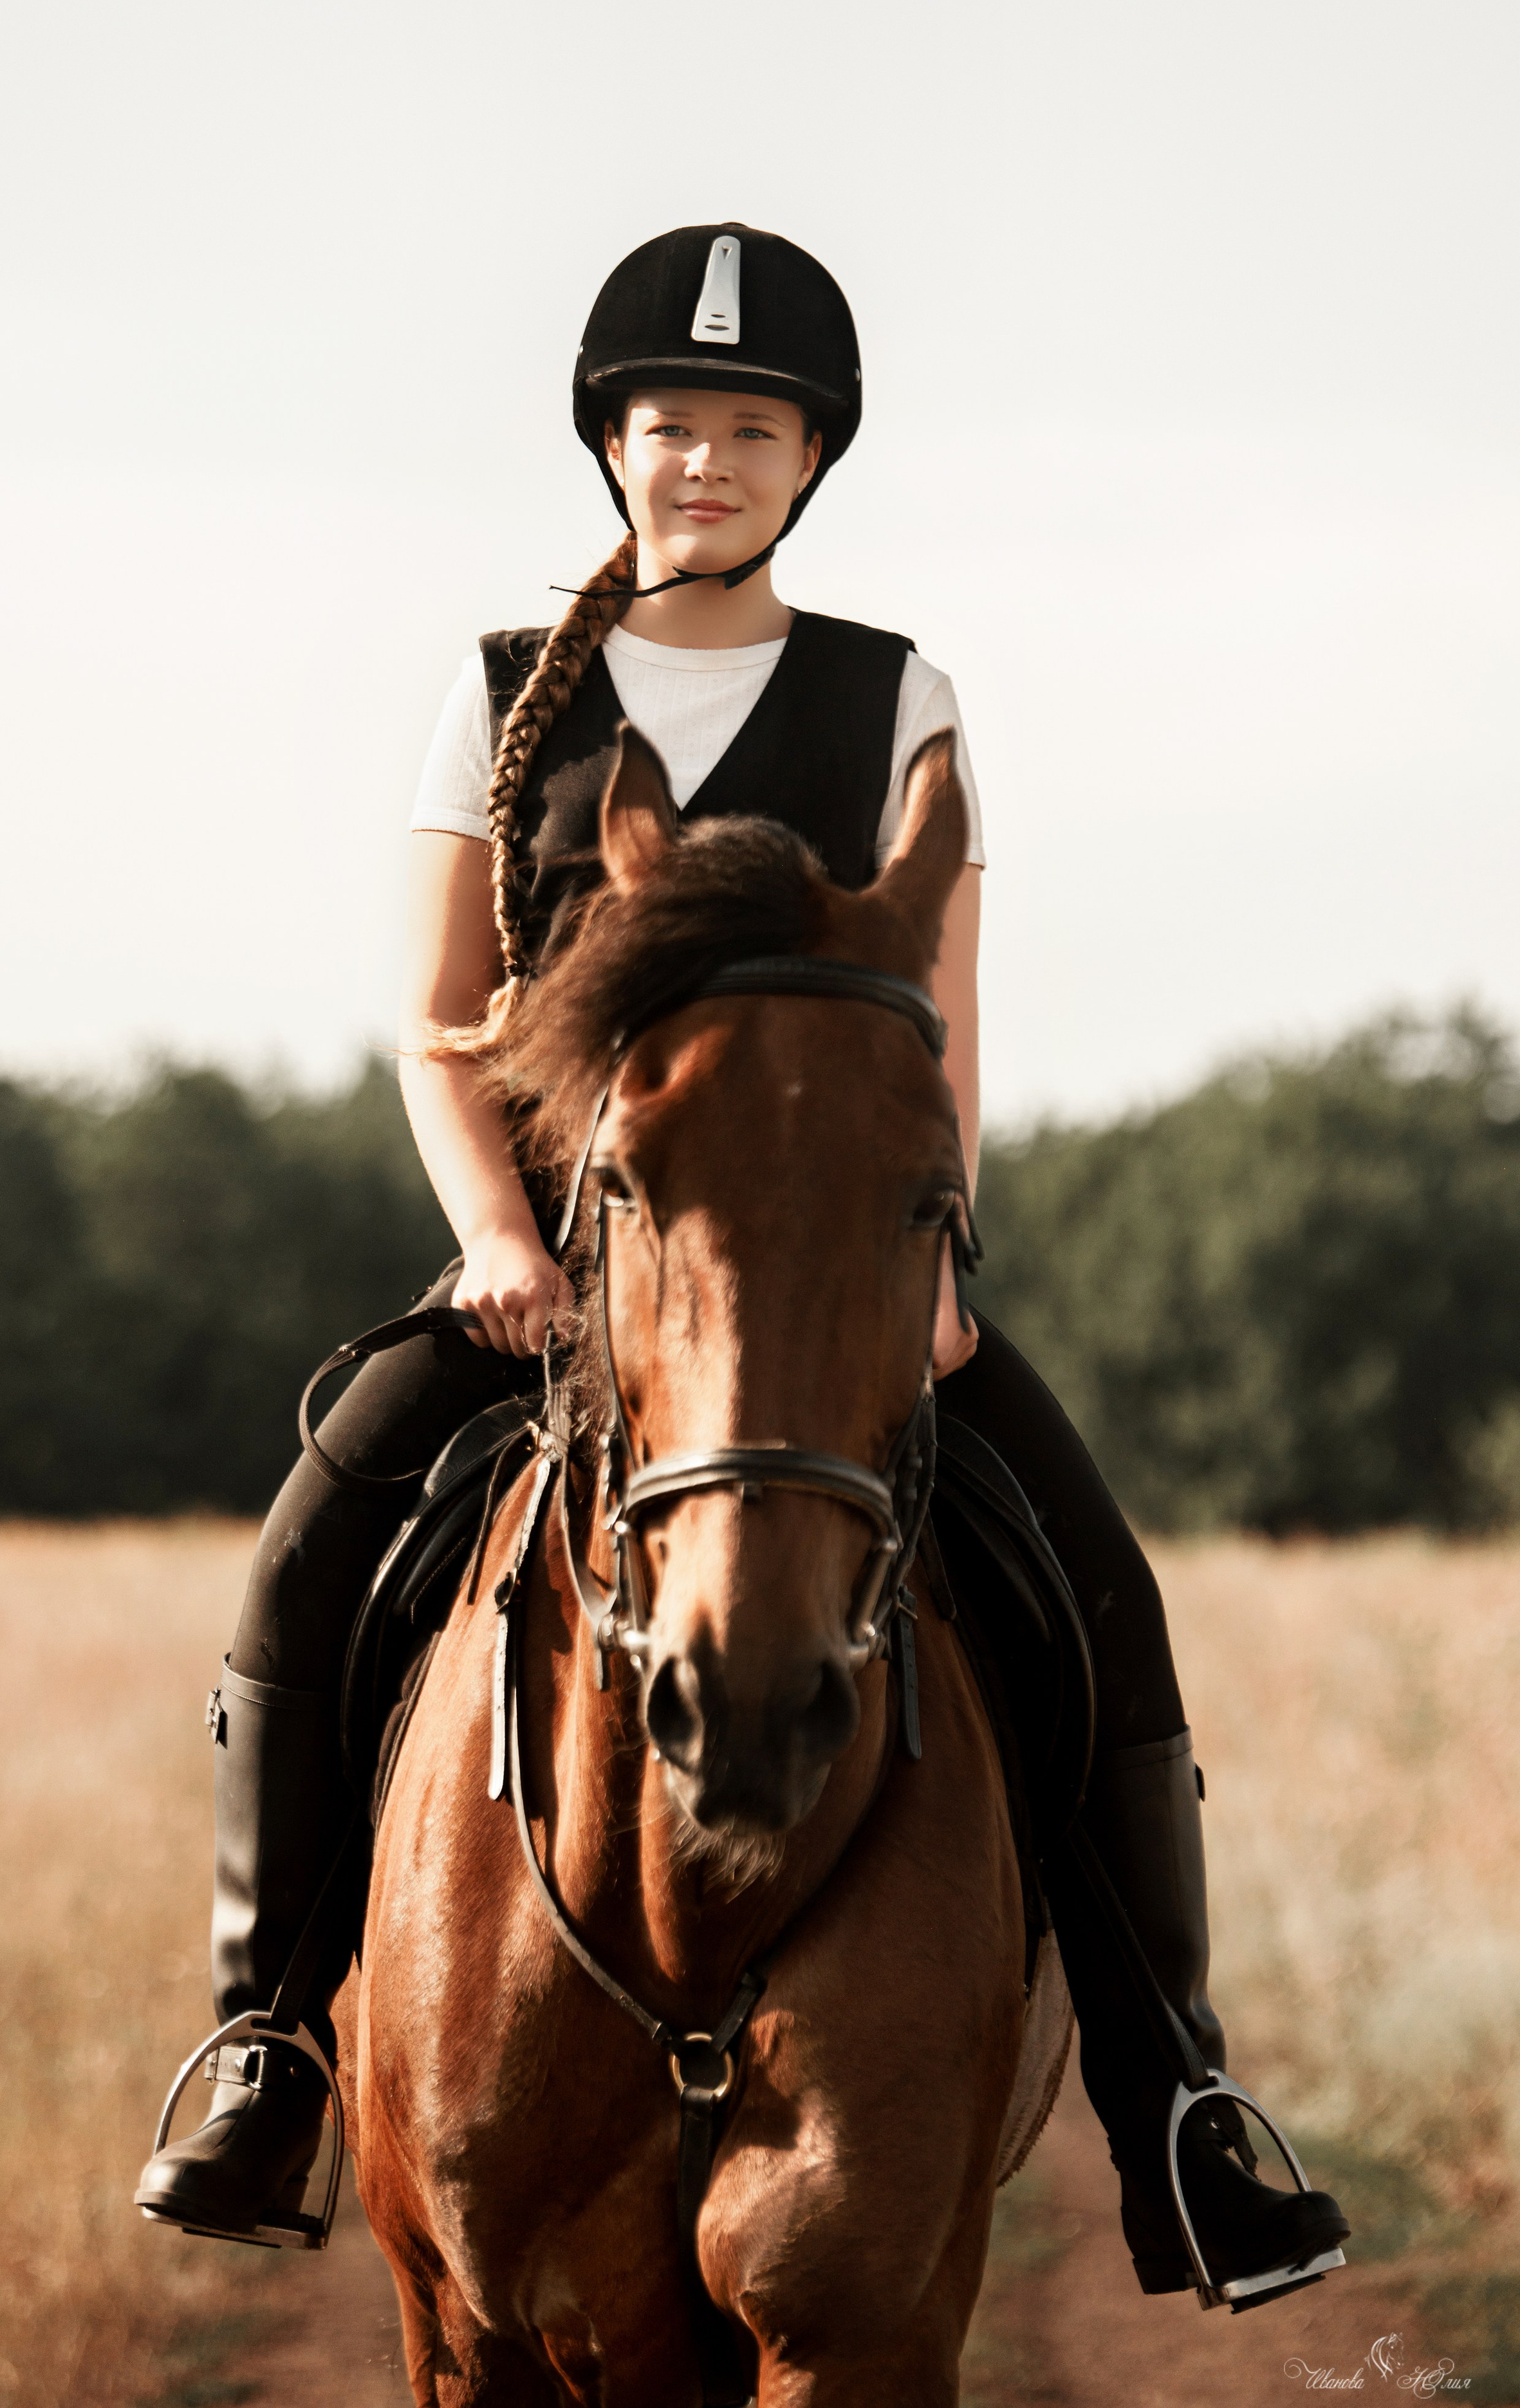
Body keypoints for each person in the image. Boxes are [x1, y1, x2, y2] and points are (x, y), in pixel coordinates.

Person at [136, 222, 1348, 2302]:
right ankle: (263, 2040)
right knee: (310, 1550)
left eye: (750, 427)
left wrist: (940, 1263)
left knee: (1094, 1592)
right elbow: (439, 1026)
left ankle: (1179, 2103)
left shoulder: (900, 693)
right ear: (614, 443)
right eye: (670, 422)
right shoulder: (503, 694)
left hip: (833, 1296)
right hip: (557, 1285)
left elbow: (941, 1033)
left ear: (811, 459)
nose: (704, 459)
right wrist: (498, 1243)